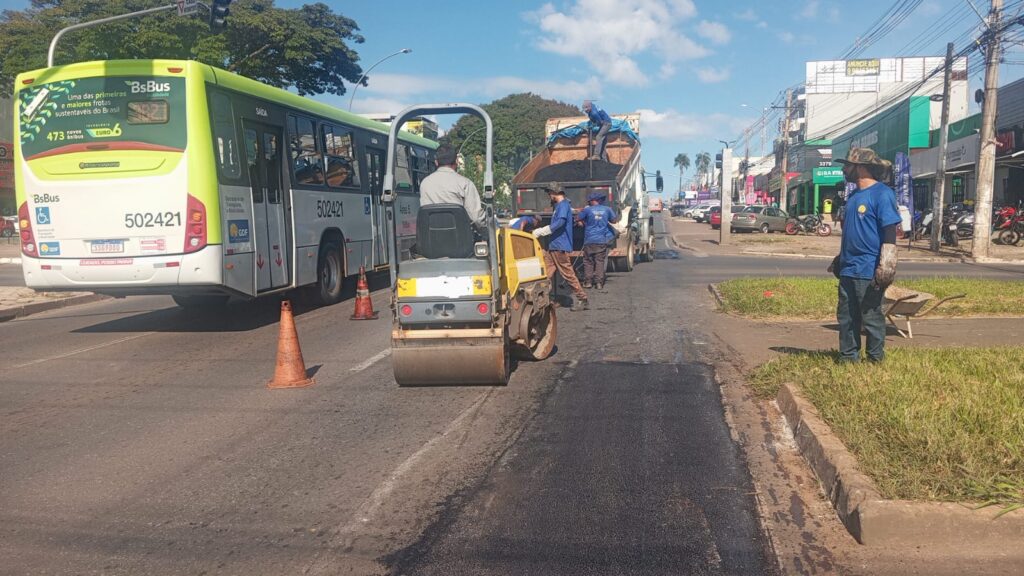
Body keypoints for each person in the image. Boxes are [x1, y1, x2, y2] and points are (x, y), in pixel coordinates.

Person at [828, 148, 901, 363]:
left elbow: (889, 231)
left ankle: (875, 359)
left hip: (868, 268)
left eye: (847, 165)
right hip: (849, 268)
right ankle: (848, 357)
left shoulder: (882, 194)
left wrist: (886, 265)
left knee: (870, 316)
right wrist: (840, 259)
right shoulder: (854, 196)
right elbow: (853, 231)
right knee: (846, 316)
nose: (844, 169)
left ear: (860, 167)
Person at [532, 183, 588, 311]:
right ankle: (545, 299)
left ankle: (582, 298)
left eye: (550, 193)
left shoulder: (563, 206)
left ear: (555, 192)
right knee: (545, 273)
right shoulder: (560, 206)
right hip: (554, 246)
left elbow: (560, 223)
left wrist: (543, 231)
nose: (549, 196)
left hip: (560, 246)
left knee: (568, 274)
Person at [419, 144, 487, 227]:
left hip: (431, 237)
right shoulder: (465, 183)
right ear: (456, 162)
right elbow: (476, 218)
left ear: (436, 162)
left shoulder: (424, 183)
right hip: (459, 238)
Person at [577, 191, 618, 290]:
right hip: (601, 240)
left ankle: (588, 282)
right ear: (600, 200)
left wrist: (583, 222)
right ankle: (599, 283)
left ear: (593, 201)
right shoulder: (607, 209)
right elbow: (614, 220)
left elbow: (577, 219)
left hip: (589, 240)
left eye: (589, 201)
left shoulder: (587, 210)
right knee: (599, 261)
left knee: (588, 261)